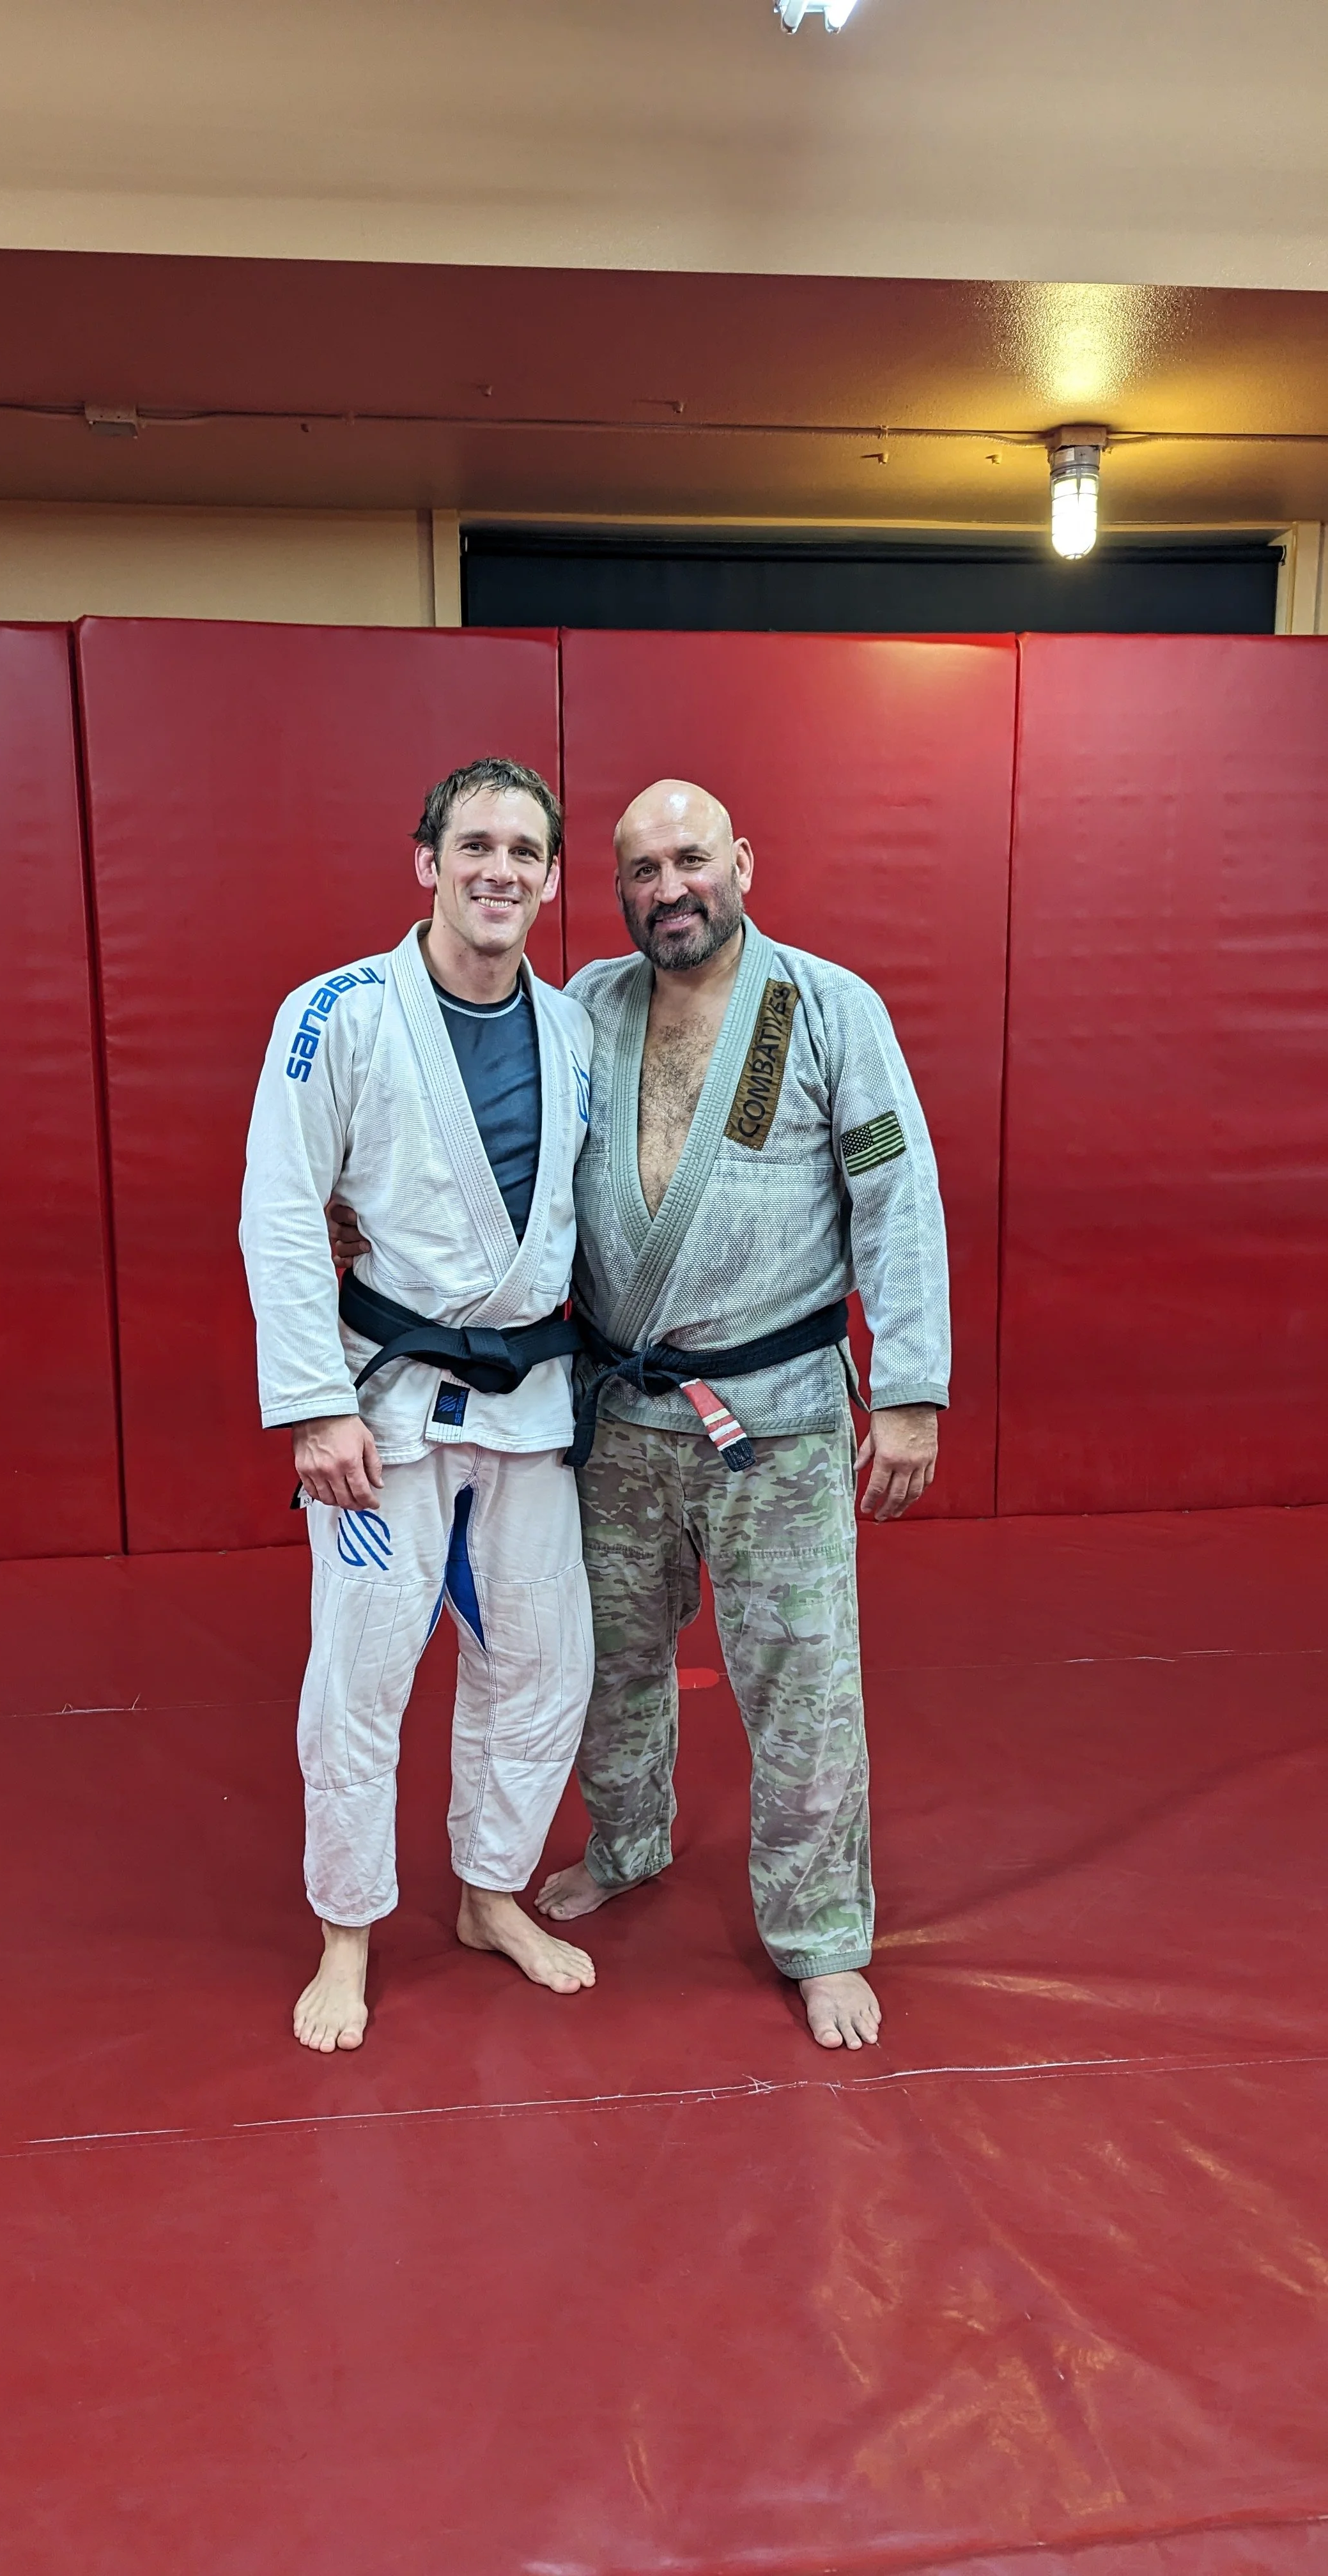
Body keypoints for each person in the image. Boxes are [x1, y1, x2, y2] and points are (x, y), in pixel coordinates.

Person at [534, 780, 949, 2052]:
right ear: (619, 890)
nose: (671, 887)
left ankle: (822, 1932)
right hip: (616, 1411)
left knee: (804, 1682)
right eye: (644, 869)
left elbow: (896, 1200)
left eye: (692, 859)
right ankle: (629, 1838)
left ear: (744, 863)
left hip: (780, 1419)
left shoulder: (827, 1010)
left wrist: (916, 1391)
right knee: (606, 1663)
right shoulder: (586, 1009)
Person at [240, 757, 598, 2054]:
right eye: (476, 845)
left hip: (533, 1399)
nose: (499, 869)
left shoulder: (575, 1029)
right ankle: (347, 1930)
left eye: (525, 851)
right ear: (426, 861)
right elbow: (282, 1211)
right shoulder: (334, 1013)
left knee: (543, 1660)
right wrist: (312, 1404)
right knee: (364, 1670)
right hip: (383, 1407)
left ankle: (490, 1893)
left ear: (553, 880)